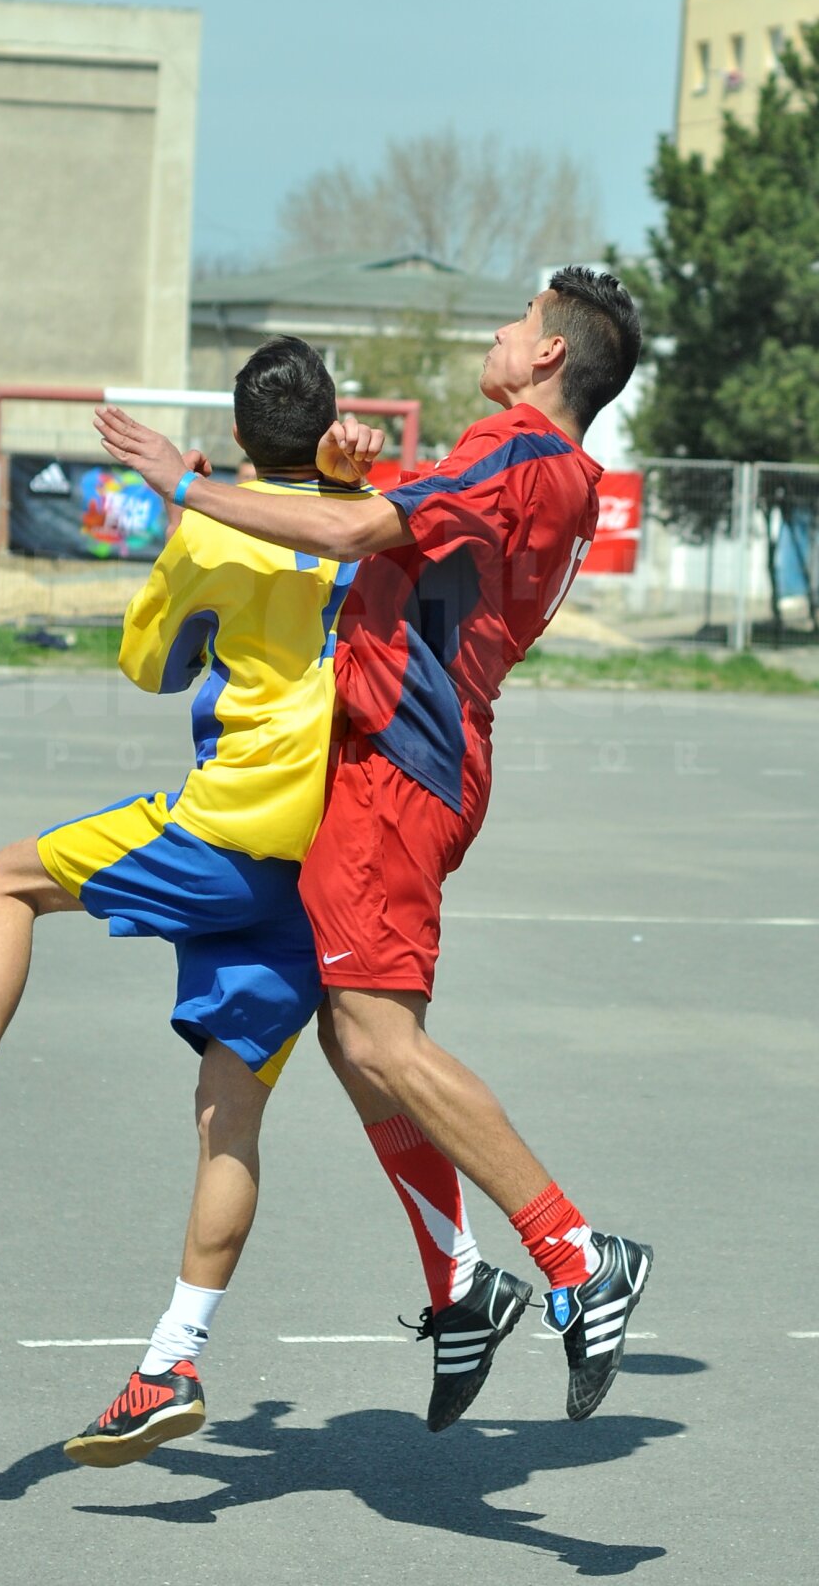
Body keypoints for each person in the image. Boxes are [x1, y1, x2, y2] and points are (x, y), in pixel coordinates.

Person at [0, 338, 528, 1460]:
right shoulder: (382, 516)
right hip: (326, 855)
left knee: (9, 876)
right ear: (335, 422)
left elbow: (148, 666)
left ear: (241, 439)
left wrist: (185, 525)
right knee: (233, 1110)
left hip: (230, 826)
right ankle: (173, 1362)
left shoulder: (216, 522)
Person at [95, 266, 654, 1424]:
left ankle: (576, 1256)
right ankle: (458, 1287)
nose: (499, 338)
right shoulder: (551, 473)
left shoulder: (517, 447)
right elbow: (408, 545)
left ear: (550, 356)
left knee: (381, 1041)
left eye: (514, 326)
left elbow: (357, 531)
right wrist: (366, 484)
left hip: (401, 765)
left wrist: (189, 484)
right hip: (417, 760)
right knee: (357, 1040)